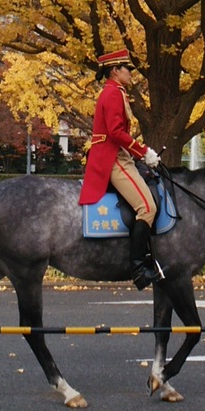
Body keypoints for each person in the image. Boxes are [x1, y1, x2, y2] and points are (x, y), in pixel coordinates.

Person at [78, 49, 163, 290]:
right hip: (113, 158)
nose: (131, 73)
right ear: (115, 70)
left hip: (118, 154)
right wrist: (143, 152)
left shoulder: (116, 92)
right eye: (128, 69)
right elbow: (115, 132)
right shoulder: (113, 93)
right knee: (147, 208)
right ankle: (138, 269)